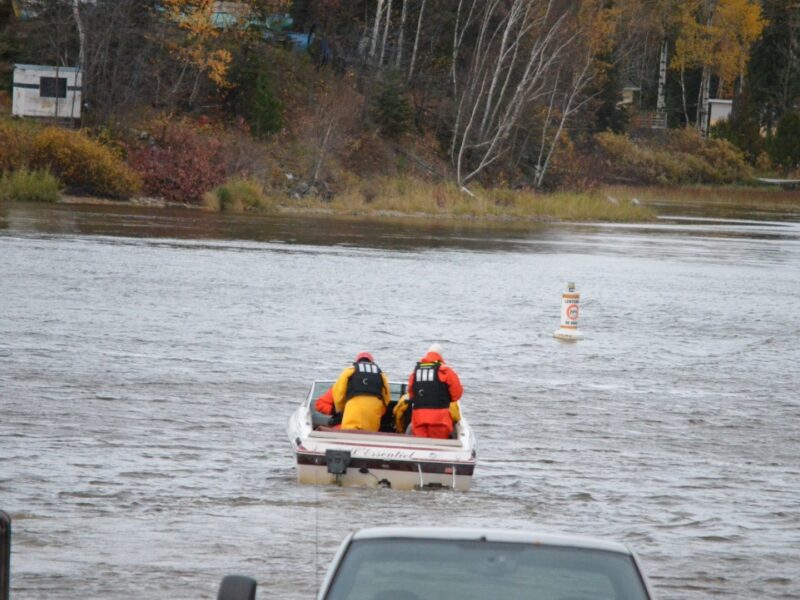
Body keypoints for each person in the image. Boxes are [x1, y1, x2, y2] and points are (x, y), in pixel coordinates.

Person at [403, 344, 463, 439]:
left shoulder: (416, 372)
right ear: (440, 356)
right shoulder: (445, 371)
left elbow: (411, 394)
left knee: (420, 445)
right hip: (439, 418)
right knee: (438, 445)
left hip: (419, 417)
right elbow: (457, 394)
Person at [331, 352, 391, 431]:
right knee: (370, 435)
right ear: (371, 361)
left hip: (354, 404)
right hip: (374, 407)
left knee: (349, 433)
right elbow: (387, 397)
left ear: (357, 361)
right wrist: (381, 409)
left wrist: (341, 408)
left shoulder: (351, 369)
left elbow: (338, 391)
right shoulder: (380, 373)